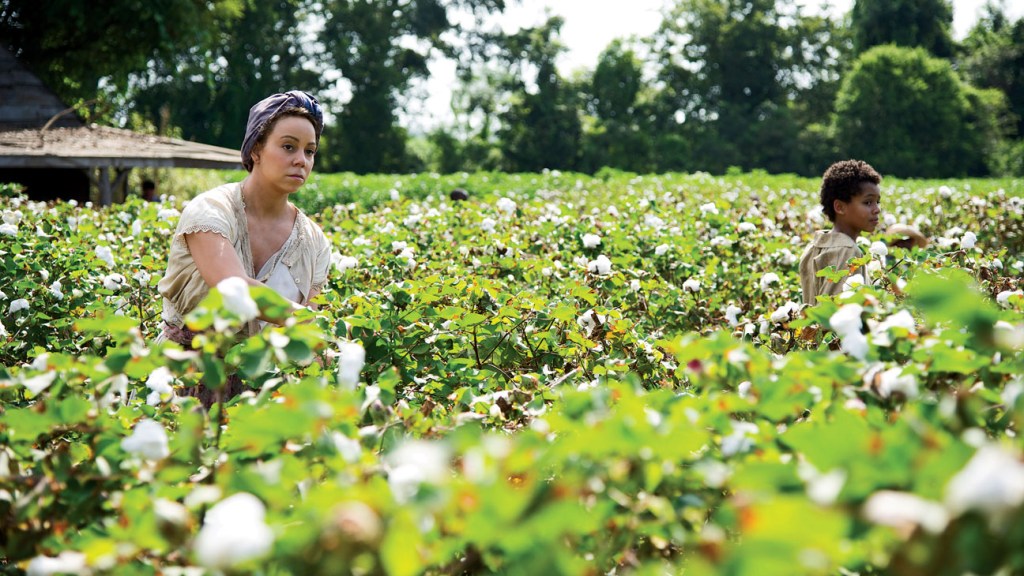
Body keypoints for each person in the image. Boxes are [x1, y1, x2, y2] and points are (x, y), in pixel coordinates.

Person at [156, 91, 332, 407]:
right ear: (256, 150)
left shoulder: (314, 242)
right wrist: (311, 323)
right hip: (184, 386)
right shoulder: (211, 211)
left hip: (263, 394)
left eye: (310, 151)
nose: (300, 160)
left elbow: (308, 340)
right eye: (288, 146)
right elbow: (232, 289)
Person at [799, 159, 882, 305]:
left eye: (878, 202)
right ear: (840, 207)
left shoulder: (813, 247)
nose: (877, 209)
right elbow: (837, 315)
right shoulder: (848, 251)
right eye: (868, 202)